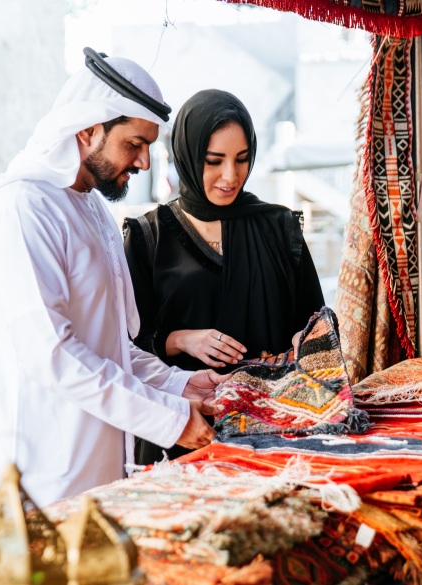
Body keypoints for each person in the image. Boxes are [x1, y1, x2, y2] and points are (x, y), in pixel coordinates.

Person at [0, 50, 225, 531]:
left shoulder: (92, 210)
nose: (145, 161)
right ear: (88, 131)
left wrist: (178, 383)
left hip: (92, 476)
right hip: (34, 483)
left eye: (149, 146)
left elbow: (107, 347)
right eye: (133, 144)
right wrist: (170, 419)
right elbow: (56, 355)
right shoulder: (21, 210)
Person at [123, 89, 325, 464]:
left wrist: (308, 342)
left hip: (276, 431)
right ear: (187, 154)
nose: (230, 176)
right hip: (183, 434)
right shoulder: (149, 237)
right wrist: (181, 340)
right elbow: (125, 348)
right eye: (214, 161)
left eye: (242, 159)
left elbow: (316, 324)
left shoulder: (279, 228)